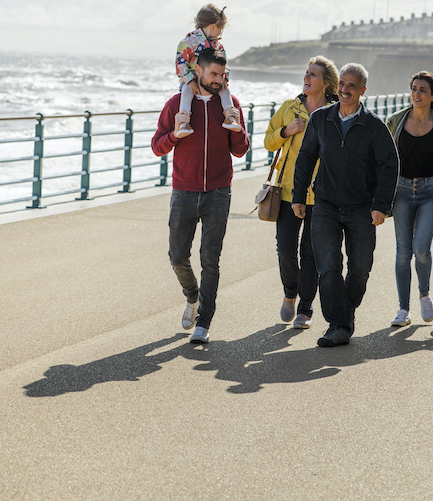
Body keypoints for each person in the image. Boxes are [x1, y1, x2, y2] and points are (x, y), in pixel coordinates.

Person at [292, 63, 399, 347]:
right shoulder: (321, 119)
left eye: (352, 85)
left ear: (363, 90)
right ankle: (338, 324)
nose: (345, 89)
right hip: (325, 205)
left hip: (361, 207)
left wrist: (381, 205)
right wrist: (299, 195)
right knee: (328, 268)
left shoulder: (374, 126)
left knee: (360, 269)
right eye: (342, 83)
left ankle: (346, 312)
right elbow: (306, 157)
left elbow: (389, 165)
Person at [152, 47, 250, 344]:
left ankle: (204, 322)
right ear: (199, 71)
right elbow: (157, 146)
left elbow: (241, 150)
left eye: (222, 74)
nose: (219, 79)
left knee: (210, 259)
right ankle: (192, 297)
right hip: (184, 190)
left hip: (218, 192)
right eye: (213, 74)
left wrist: (235, 125)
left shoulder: (230, 103)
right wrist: (174, 135)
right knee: (177, 256)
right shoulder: (176, 104)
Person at [264, 56, 339, 330]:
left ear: (326, 83)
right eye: (306, 72)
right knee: (285, 249)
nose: (307, 77)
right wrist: (287, 130)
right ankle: (289, 293)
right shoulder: (289, 107)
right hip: (287, 191)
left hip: (322, 194)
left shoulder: (335, 113)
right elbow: (268, 141)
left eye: (313, 74)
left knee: (310, 253)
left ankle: (305, 308)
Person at [387, 71, 433, 327]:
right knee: (402, 252)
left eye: (422, 90)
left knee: (421, 249)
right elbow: (384, 158)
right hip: (402, 191)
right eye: (414, 89)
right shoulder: (396, 121)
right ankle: (403, 309)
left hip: (432, 191)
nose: (416, 94)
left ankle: (424, 294)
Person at [175, 3, 240, 138]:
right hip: (190, 81)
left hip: (212, 81)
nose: (220, 32)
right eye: (221, 28)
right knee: (186, 93)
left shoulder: (217, 45)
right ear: (213, 26)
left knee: (225, 91)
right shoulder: (190, 41)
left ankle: (230, 117)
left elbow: (225, 64)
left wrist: (224, 79)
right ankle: (183, 123)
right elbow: (181, 63)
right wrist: (190, 81)